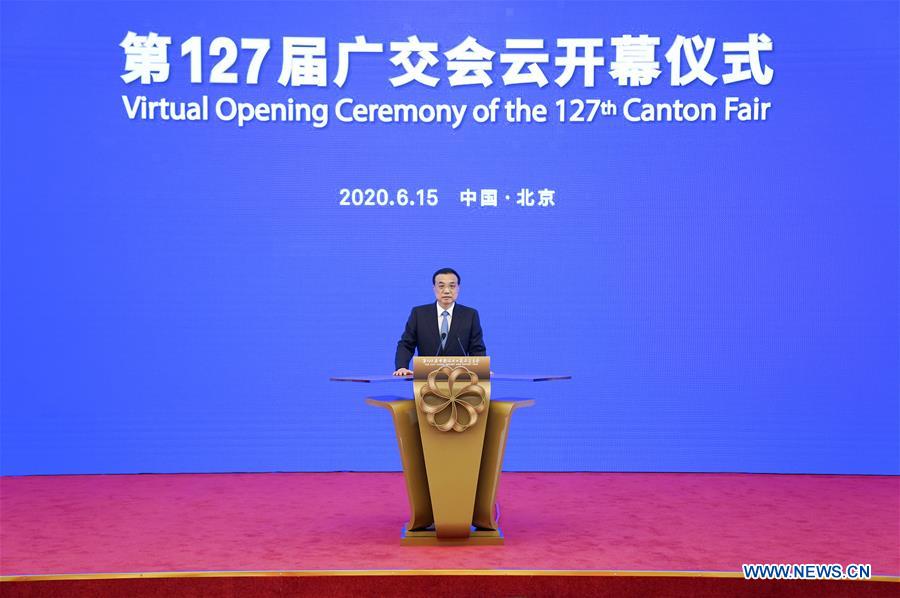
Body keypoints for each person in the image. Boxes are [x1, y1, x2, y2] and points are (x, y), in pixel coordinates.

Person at [393, 268, 486, 375]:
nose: (446, 291)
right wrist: (402, 367)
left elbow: (477, 348)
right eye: (441, 286)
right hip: (426, 379)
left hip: (460, 378)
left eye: (452, 286)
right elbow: (406, 344)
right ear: (434, 288)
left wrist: (481, 369)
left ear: (458, 288)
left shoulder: (470, 315)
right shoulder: (419, 314)